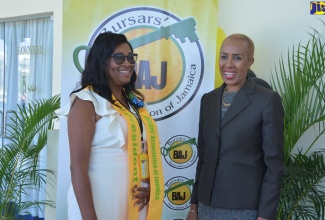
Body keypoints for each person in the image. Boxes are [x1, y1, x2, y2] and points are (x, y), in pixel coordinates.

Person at [57, 32, 164, 220]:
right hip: (98, 202)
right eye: (119, 58)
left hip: (133, 204)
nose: (128, 63)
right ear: (101, 60)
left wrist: (150, 188)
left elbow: (142, 151)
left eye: (131, 57)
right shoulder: (86, 101)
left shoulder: (135, 102)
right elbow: (77, 168)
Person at [187, 34, 284, 220]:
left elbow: (274, 165)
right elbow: (203, 158)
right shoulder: (208, 100)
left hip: (245, 209)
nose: (229, 64)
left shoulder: (266, 100)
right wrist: (193, 207)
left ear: (250, 61)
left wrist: (264, 216)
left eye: (237, 58)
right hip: (206, 207)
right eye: (224, 56)